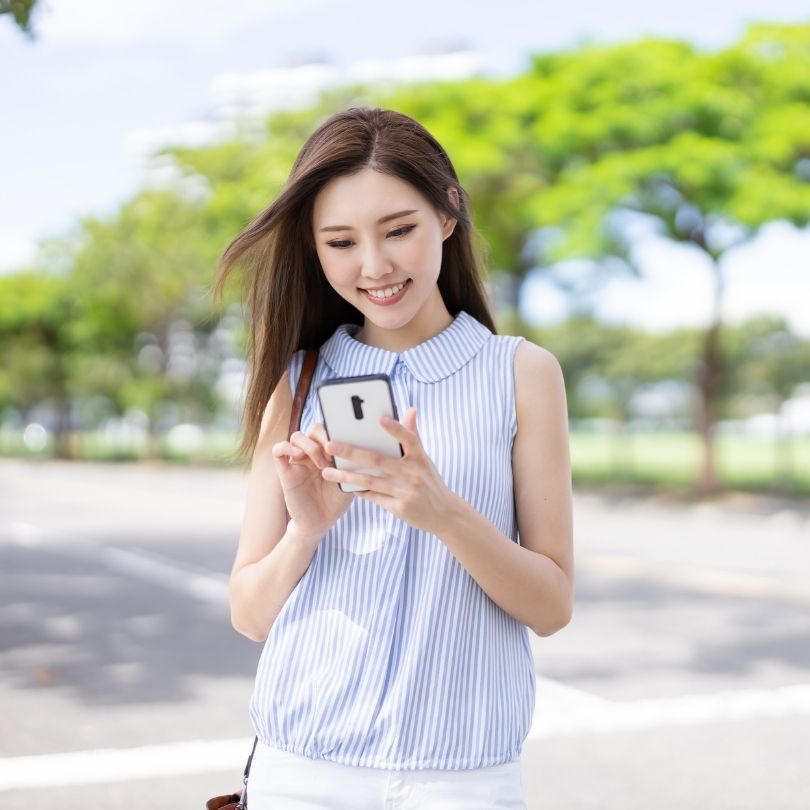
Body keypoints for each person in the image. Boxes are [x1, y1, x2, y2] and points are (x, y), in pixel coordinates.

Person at [213, 106, 574, 809]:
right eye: (341, 241)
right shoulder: (297, 382)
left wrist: (442, 512)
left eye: (398, 230)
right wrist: (306, 532)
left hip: (463, 782)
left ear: (447, 214)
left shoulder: (522, 374)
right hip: (303, 775)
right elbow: (250, 616)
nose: (373, 266)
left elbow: (552, 605)